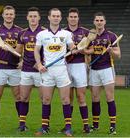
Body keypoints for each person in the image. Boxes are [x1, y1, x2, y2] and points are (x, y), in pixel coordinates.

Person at [34, 8, 77, 137]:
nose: (56, 18)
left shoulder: (66, 34)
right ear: (49, 17)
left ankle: (68, 128)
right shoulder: (41, 34)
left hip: (61, 70)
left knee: (65, 99)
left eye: (58, 16)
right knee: (46, 99)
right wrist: (40, 64)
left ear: (60, 18)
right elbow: (36, 51)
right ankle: (44, 127)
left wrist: (75, 49)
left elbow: (72, 48)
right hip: (47, 71)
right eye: (53, 16)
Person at [0, 5, 23, 132]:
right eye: (6, 14)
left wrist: (22, 60)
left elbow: (24, 50)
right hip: (0, 68)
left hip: (15, 68)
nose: (9, 16)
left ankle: (21, 123)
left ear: (14, 15)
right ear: (3, 15)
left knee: (18, 96)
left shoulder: (20, 31)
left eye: (11, 14)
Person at [88, 12, 121, 135]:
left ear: (105, 22)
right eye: (97, 20)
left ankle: (112, 126)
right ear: (94, 22)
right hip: (94, 69)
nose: (99, 22)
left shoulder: (111, 36)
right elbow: (86, 51)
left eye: (101, 20)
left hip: (107, 68)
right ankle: (95, 125)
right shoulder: (90, 36)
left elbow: (118, 55)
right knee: (95, 98)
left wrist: (111, 50)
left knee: (109, 97)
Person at [64, 7, 94, 133]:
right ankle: (68, 126)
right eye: (71, 17)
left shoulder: (86, 32)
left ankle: (86, 126)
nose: (73, 19)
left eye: (75, 17)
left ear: (78, 18)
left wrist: (83, 50)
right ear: (67, 18)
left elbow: (92, 49)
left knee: (81, 97)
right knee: (68, 97)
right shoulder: (62, 32)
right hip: (65, 66)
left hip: (80, 66)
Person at [16, 7, 45, 131]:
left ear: (39, 18)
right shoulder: (22, 33)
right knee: (23, 97)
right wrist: (20, 59)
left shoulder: (45, 32)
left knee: (44, 98)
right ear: (27, 18)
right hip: (26, 70)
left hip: (41, 71)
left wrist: (41, 63)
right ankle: (22, 125)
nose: (33, 18)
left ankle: (45, 125)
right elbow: (18, 51)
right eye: (31, 16)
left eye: (35, 16)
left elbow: (49, 51)